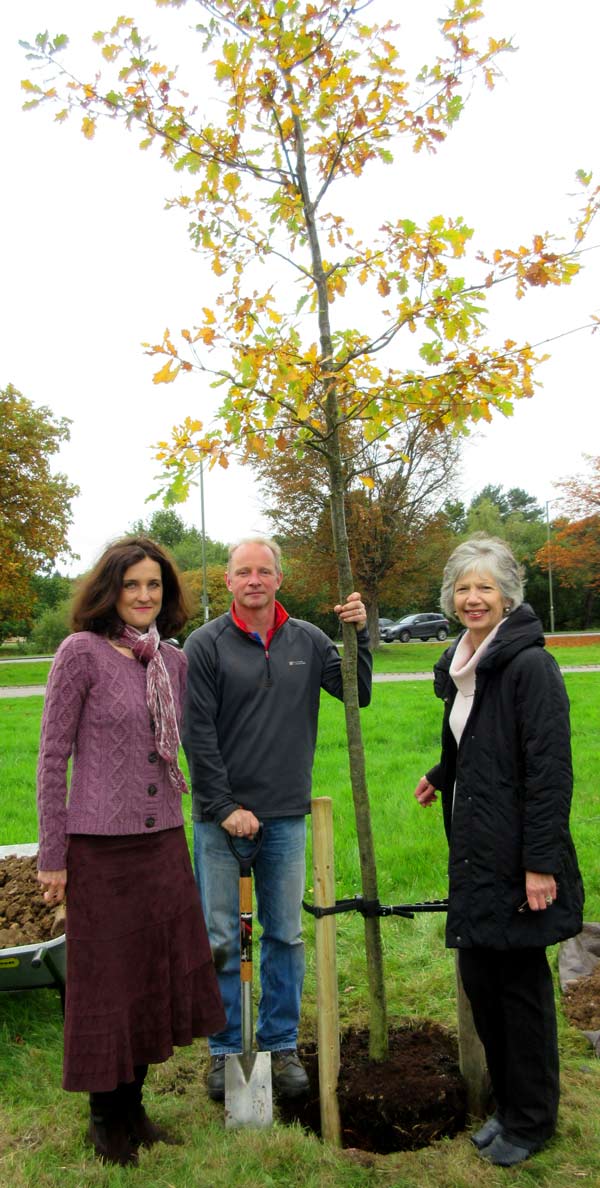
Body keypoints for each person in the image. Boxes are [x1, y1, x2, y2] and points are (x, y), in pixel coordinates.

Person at [36, 537, 225, 1167]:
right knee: (107, 986)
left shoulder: (171, 662)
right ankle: (104, 1119)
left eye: (154, 586)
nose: (144, 596)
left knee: (152, 978)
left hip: (163, 843)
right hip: (100, 848)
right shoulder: (80, 654)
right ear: (109, 590)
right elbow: (51, 759)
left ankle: (136, 1108)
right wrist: (53, 854)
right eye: (132, 585)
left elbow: (195, 740)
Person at [413, 535, 584, 1168]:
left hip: (518, 860)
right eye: (462, 587)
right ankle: (508, 1109)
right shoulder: (466, 662)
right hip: (476, 852)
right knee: (482, 981)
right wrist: (442, 772)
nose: (473, 597)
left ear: (508, 595)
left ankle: (533, 1120)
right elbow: (475, 739)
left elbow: (549, 771)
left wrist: (539, 865)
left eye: (485, 586)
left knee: (520, 993)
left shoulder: (529, 666)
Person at [183, 535, 372, 1101]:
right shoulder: (205, 644)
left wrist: (358, 635)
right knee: (222, 935)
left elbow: (356, 694)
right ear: (229, 581)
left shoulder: (309, 640)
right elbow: (198, 735)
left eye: (265, 571)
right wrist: (224, 808)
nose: (255, 580)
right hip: (220, 822)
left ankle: (280, 1042)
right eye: (244, 571)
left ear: (279, 579)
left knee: (284, 934)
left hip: (287, 816)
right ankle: (223, 1050)